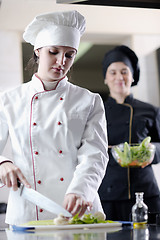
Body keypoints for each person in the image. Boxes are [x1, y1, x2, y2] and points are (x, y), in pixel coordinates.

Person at [0, 10, 108, 225]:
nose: (61, 61)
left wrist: (81, 191)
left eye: (69, 55)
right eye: (54, 51)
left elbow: (95, 155)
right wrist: (3, 162)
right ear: (38, 51)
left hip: (77, 206)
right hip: (28, 208)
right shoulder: (9, 100)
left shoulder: (89, 100)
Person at [98, 45, 160, 221]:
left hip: (145, 192)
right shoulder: (96, 111)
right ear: (105, 78)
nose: (119, 77)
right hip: (108, 194)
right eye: (113, 72)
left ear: (133, 76)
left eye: (124, 71)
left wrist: (152, 151)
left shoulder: (151, 111)